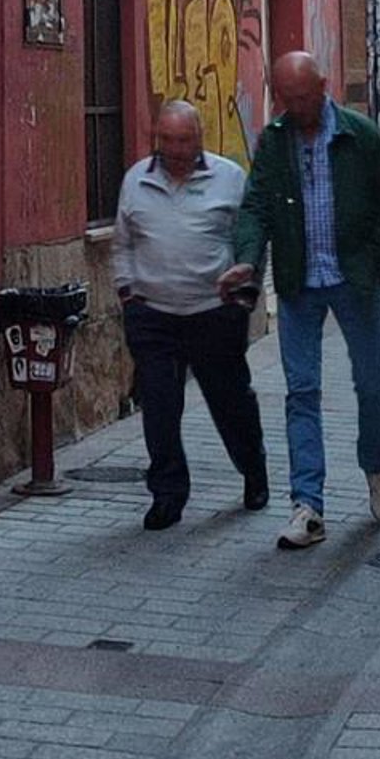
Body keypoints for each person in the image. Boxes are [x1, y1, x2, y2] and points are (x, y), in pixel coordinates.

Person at [219, 51, 380, 551]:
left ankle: (377, 469)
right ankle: (307, 506)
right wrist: (247, 260)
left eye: (302, 97)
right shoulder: (275, 140)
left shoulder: (360, 136)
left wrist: (375, 264)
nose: (295, 107)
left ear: (323, 87)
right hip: (298, 280)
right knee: (301, 392)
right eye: (286, 98)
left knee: (372, 383)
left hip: (353, 280)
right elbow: (256, 207)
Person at [110, 99, 269, 530]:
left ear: (200, 137)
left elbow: (251, 238)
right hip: (153, 314)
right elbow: (123, 242)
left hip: (213, 313)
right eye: (168, 140)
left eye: (184, 140)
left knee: (230, 402)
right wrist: (127, 292)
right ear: (156, 138)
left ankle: (253, 469)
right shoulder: (136, 180)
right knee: (159, 408)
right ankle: (167, 494)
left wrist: (246, 285)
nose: (177, 150)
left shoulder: (229, 178)